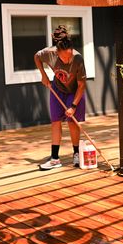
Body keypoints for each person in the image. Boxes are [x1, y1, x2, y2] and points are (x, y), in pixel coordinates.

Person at [34, 25, 87, 170]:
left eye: (69, 55)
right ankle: (55, 159)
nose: (68, 59)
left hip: (74, 91)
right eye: (64, 57)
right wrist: (43, 75)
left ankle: (76, 153)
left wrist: (73, 106)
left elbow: (82, 85)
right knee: (55, 121)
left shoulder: (78, 59)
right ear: (57, 53)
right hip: (57, 89)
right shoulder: (49, 53)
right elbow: (37, 57)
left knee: (72, 122)